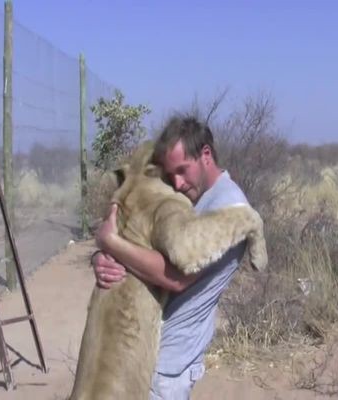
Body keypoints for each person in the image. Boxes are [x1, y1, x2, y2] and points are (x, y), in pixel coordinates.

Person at [92, 115, 251, 399]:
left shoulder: (230, 208)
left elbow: (176, 278)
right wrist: (101, 258)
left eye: (182, 170)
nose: (176, 183)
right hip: (144, 351)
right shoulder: (193, 196)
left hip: (168, 366)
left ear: (205, 155)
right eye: (170, 173)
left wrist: (111, 243)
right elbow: (142, 242)